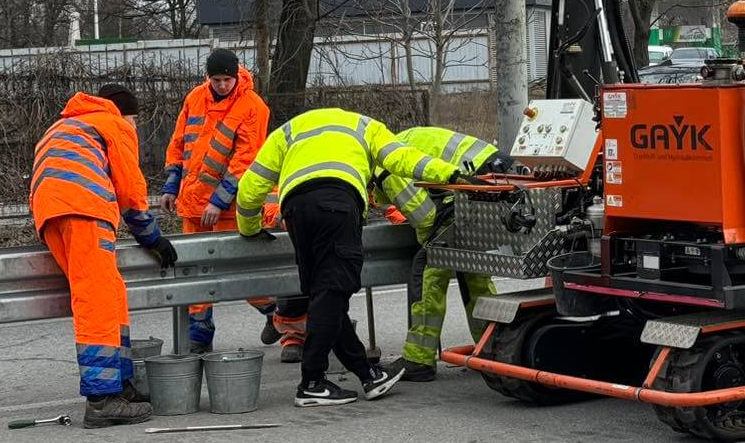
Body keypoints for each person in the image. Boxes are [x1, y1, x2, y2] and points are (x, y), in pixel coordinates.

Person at [235, 109, 460, 408]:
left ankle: (368, 374)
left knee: (325, 294)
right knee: (334, 289)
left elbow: (250, 188)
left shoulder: (289, 131)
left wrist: (250, 229)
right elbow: (404, 160)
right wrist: (450, 174)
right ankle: (312, 382)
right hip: (337, 204)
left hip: (296, 211)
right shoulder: (365, 125)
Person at [30, 84, 178, 428]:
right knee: (96, 300)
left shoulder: (64, 125)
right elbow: (130, 187)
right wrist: (151, 237)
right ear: (122, 112)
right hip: (83, 211)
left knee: (111, 293)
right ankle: (101, 400)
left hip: (51, 214)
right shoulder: (113, 124)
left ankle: (119, 386)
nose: (136, 126)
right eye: (135, 119)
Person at [160, 48, 305, 357]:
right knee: (196, 274)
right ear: (208, 77)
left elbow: (246, 160)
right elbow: (179, 143)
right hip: (192, 204)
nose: (222, 85)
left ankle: (280, 317)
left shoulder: (253, 106)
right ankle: (200, 334)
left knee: (241, 275)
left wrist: (219, 200)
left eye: (227, 79)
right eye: (217, 79)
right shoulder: (195, 97)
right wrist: (171, 186)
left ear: (237, 74)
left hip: (227, 207)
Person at [375, 127, 506, 382]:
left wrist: (430, 244)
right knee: (474, 273)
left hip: (472, 190)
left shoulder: (383, 165)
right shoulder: (401, 140)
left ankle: (418, 358)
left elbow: (423, 216)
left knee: (428, 266)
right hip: (493, 181)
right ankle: (490, 349)